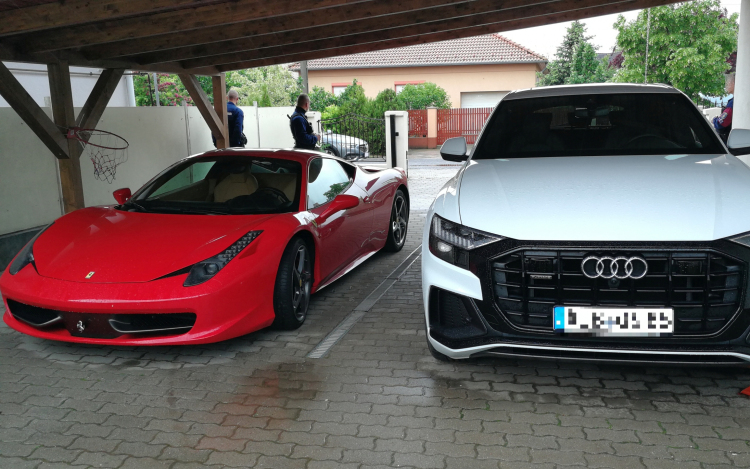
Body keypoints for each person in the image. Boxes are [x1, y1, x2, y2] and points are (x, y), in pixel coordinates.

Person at [713, 72, 735, 144]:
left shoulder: (733, 103)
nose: (727, 83)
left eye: (730, 81)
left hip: (729, 142)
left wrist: (714, 120)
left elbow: (721, 123)